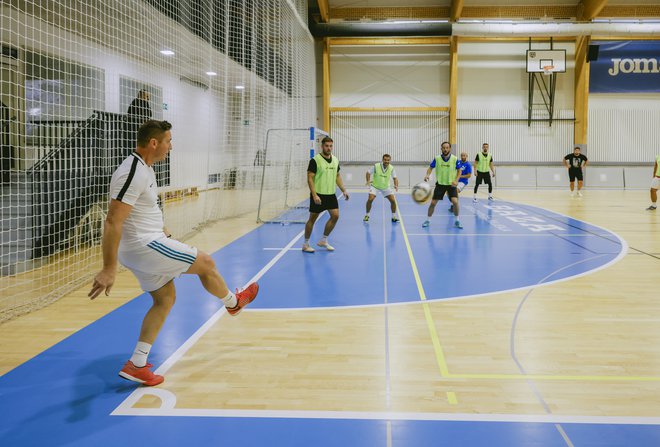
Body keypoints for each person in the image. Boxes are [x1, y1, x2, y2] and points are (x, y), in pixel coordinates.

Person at [88, 120, 259, 386]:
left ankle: (137, 364)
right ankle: (233, 303)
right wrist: (108, 268)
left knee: (165, 299)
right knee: (206, 262)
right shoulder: (133, 171)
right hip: (143, 245)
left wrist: (167, 237)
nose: (171, 146)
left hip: (147, 243)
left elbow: (145, 212)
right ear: (154, 143)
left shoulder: (144, 169)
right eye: (168, 141)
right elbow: (112, 220)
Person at [302, 136, 349, 253]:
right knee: (312, 220)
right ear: (322, 146)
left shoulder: (335, 160)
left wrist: (343, 189)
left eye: (330, 146)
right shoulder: (315, 160)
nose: (329, 148)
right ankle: (306, 244)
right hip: (318, 195)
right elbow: (310, 178)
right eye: (326, 146)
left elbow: (337, 176)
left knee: (335, 216)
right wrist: (314, 195)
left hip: (331, 195)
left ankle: (323, 240)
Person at [422, 141, 463, 229]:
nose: (445, 149)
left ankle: (457, 220)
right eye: (443, 148)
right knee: (433, 203)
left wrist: (456, 180)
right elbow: (430, 168)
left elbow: (459, 171)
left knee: (455, 202)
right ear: (441, 148)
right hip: (440, 184)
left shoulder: (455, 159)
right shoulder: (437, 158)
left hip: (451, 185)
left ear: (450, 148)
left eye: (447, 147)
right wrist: (427, 175)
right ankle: (428, 220)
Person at [364, 154, 399, 223]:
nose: (386, 161)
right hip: (375, 186)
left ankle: (393, 217)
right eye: (385, 160)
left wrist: (396, 185)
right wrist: (368, 181)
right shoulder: (376, 166)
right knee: (370, 199)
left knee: (393, 200)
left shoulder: (391, 168)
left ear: (390, 160)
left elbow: (395, 178)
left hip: (385, 187)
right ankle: (367, 215)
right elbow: (368, 173)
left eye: (388, 160)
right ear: (382, 160)